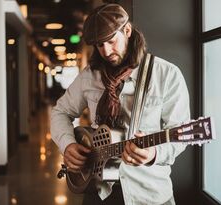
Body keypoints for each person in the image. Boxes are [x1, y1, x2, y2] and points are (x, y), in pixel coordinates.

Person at [51, 3, 190, 205]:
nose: (106, 51)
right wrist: (68, 144)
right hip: (98, 191)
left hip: (148, 193)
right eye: (99, 45)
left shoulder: (166, 75)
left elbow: (180, 133)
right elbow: (60, 111)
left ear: (127, 30)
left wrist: (154, 153)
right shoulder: (90, 76)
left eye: (111, 41)